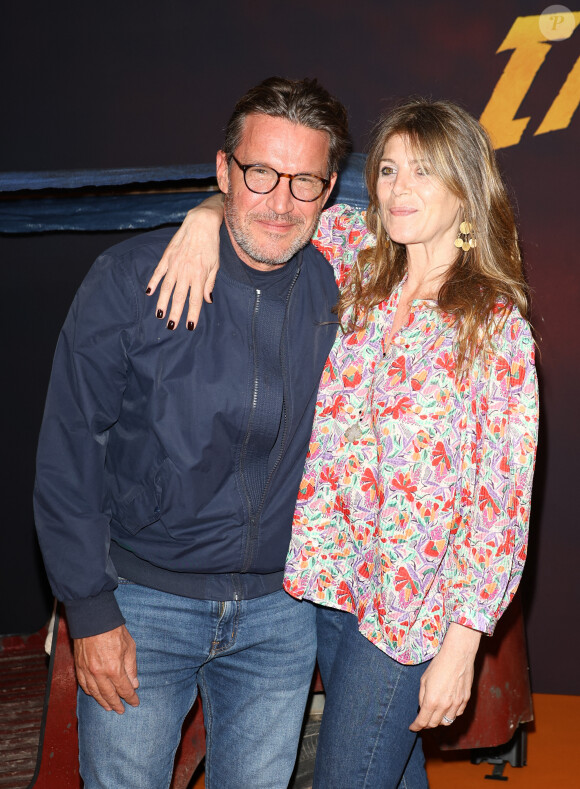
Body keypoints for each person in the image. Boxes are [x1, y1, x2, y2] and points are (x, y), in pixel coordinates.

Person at [148, 98, 539, 788]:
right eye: (388, 169)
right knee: (390, 769)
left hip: (409, 611)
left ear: (467, 188)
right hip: (332, 580)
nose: (397, 189)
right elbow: (268, 211)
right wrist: (204, 214)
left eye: (423, 172)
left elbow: (500, 506)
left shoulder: (494, 325)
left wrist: (463, 642)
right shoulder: (359, 261)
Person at [33, 76, 351, 789]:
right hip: (143, 605)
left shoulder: (342, 288)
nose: (280, 201)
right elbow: (68, 451)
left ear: (329, 192)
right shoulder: (130, 279)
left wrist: (209, 213)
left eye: (305, 181)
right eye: (260, 172)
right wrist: (88, 610)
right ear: (222, 170)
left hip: (280, 615)